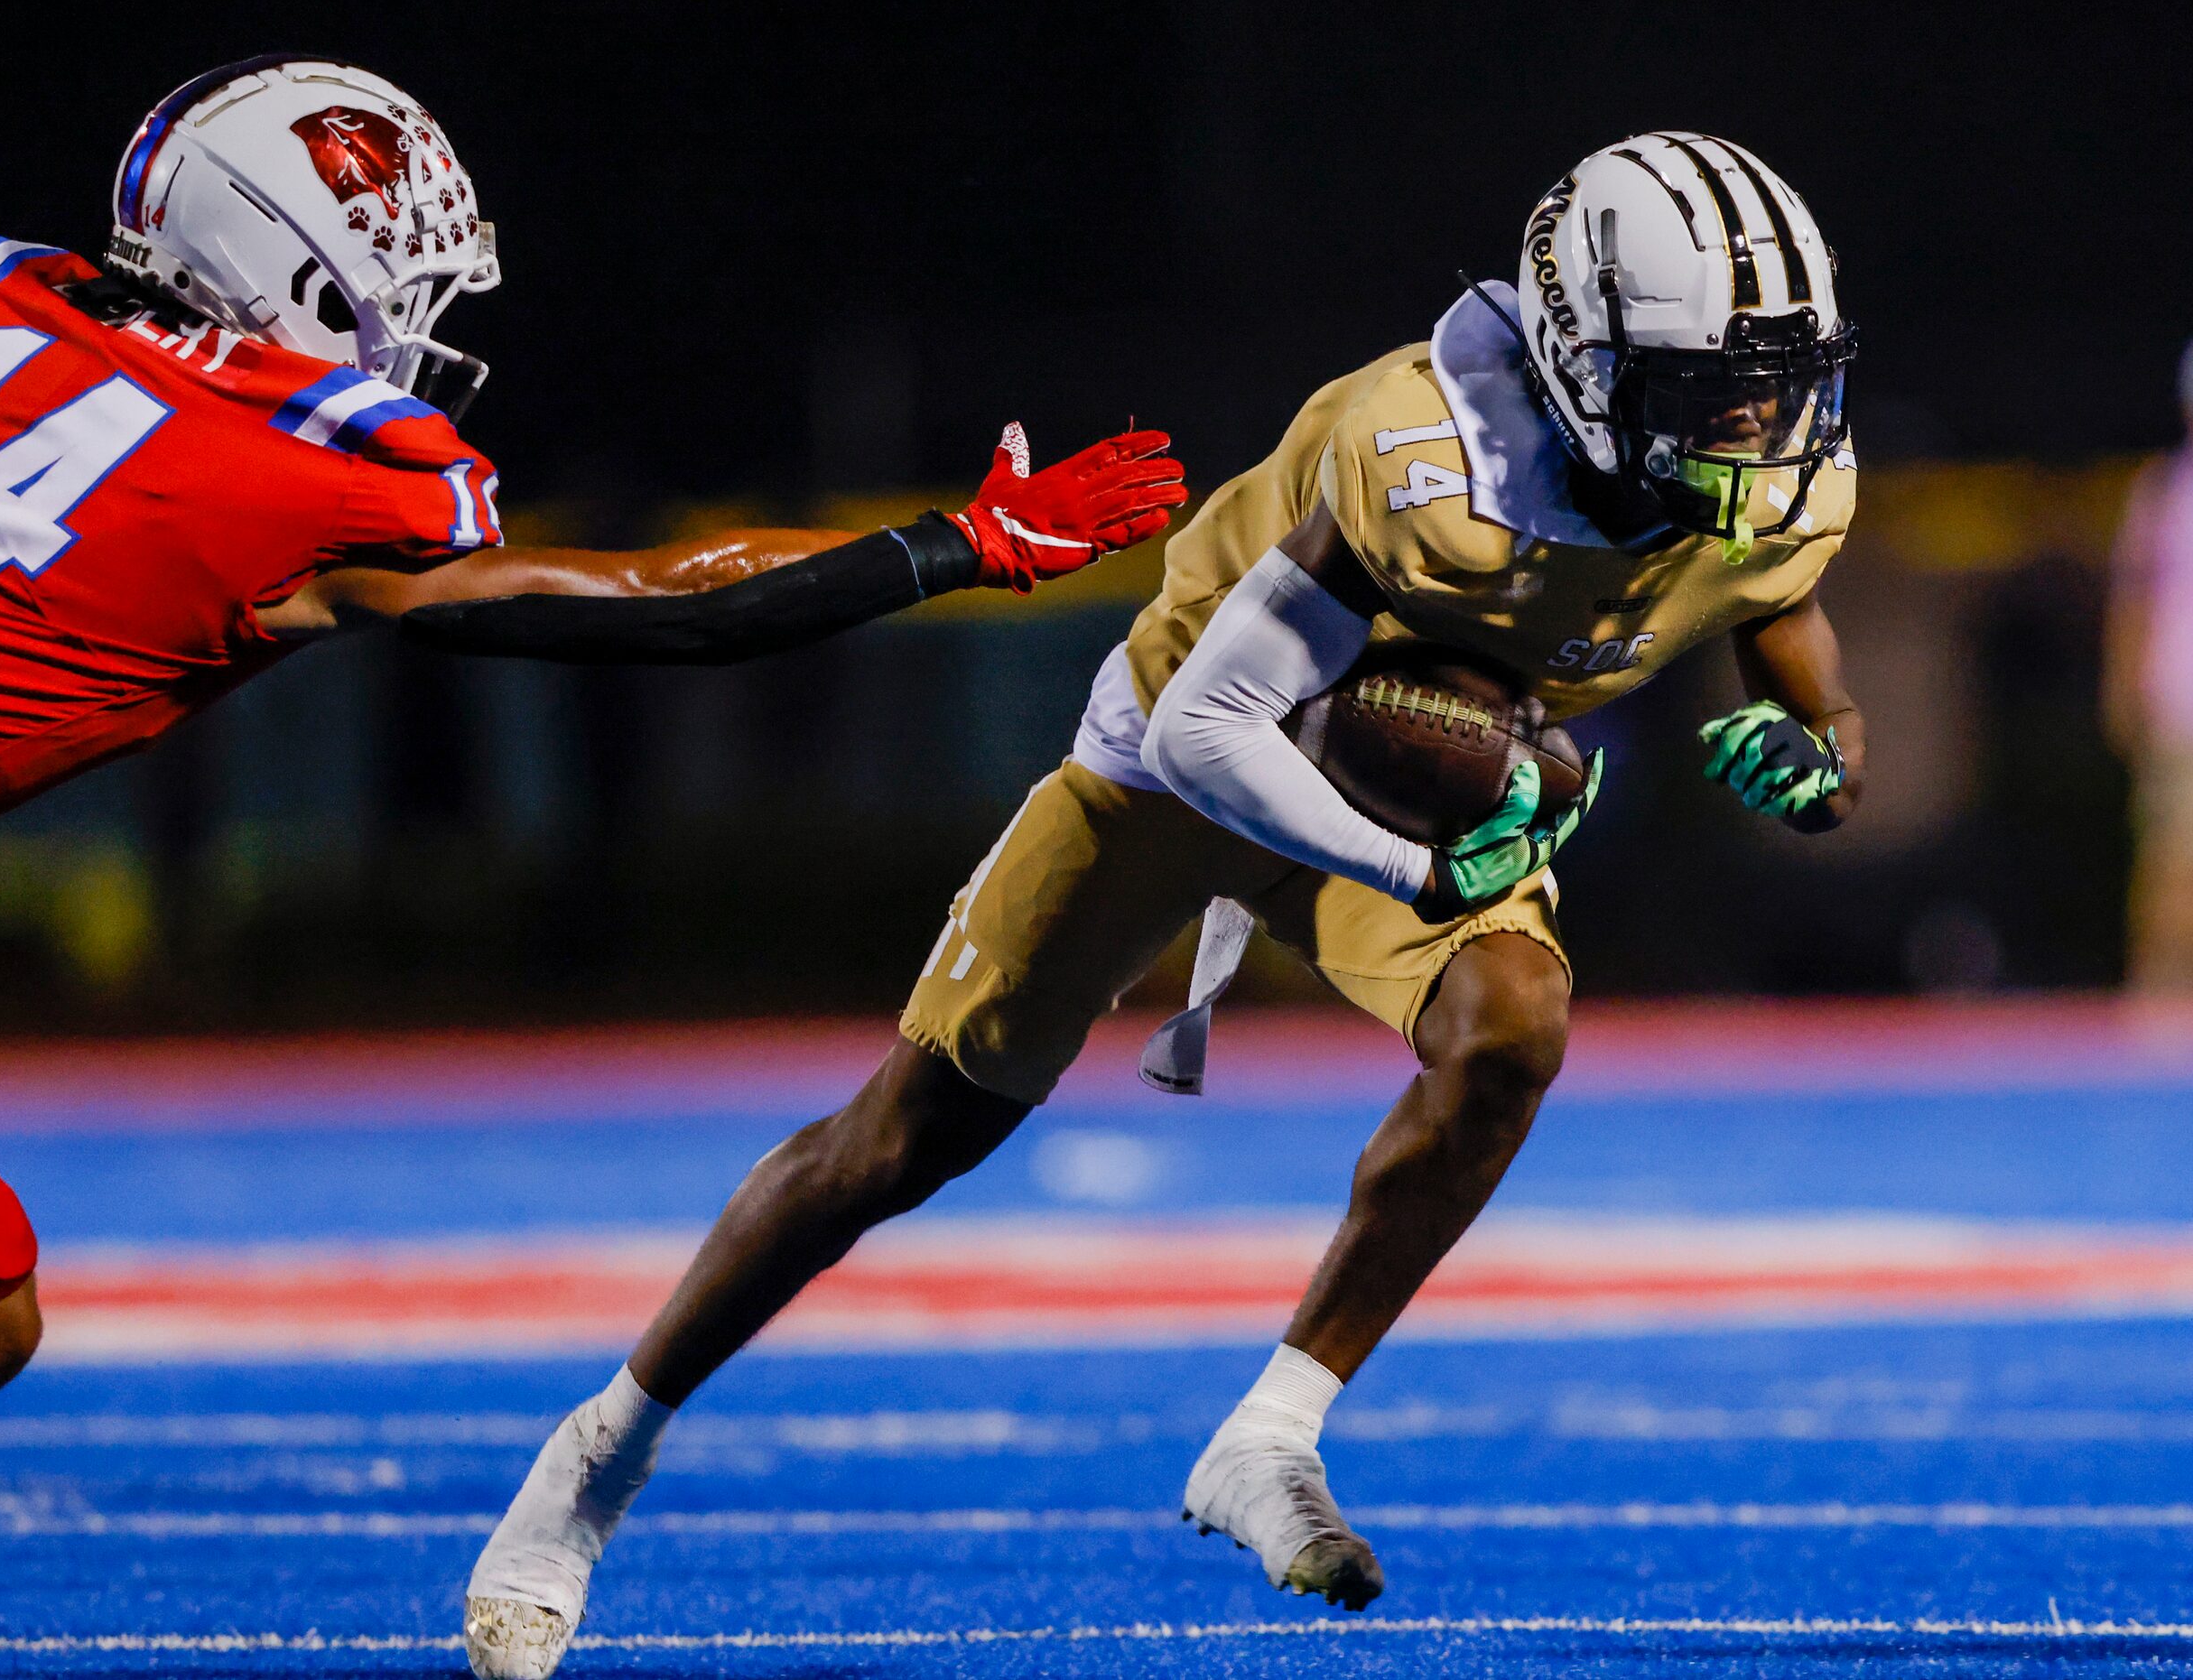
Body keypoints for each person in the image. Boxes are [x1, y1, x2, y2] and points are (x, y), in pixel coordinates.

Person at [0, 55, 1183, 1659]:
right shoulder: (314, 480)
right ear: (296, 268)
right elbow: (667, 605)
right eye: (395, 273)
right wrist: (952, 543)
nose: (419, 318)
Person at [464, 131, 1868, 1680]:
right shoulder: (1424, 457)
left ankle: (1271, 1433)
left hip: (1415, 784)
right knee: (899, 1137)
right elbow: (1215, 727)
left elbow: (1779, 606)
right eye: (1712, 386)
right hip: (1186, 752)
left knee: (1513, 1026)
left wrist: (1822, 753)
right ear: (1580, 355)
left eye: (1780, 381)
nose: (1759, 424)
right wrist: (1418, 871)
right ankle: (596, 1455)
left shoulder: (1780, 485)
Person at [2104, 339, 2193, 990]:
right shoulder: (2164, 491)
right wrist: (2122, 690)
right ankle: (2160, 1001)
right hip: (2181, 707)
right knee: (2172, 865)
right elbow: (2133, 601)